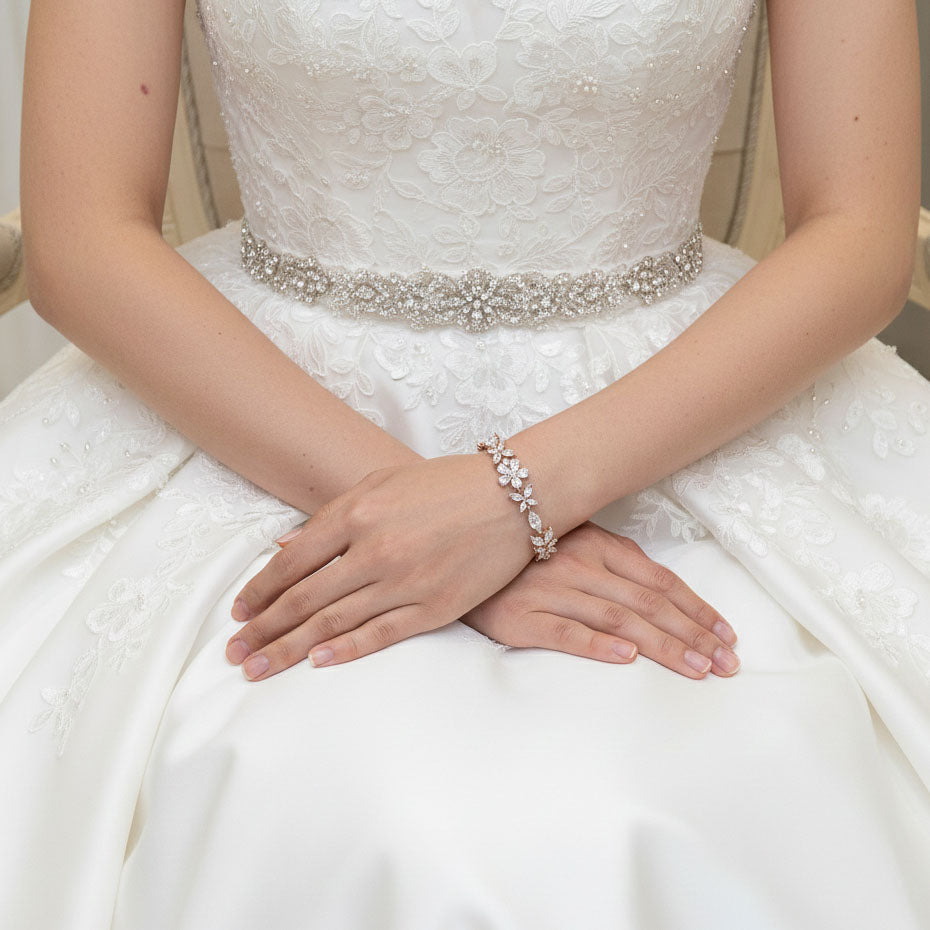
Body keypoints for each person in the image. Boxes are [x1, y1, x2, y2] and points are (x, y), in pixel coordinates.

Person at [2, 0, 929, 926]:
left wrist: (508, 501)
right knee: (340, 803)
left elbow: (858, 226)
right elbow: (82, 236)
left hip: (680, 404)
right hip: (254, 402)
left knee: (728, 777)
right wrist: (413, 517)